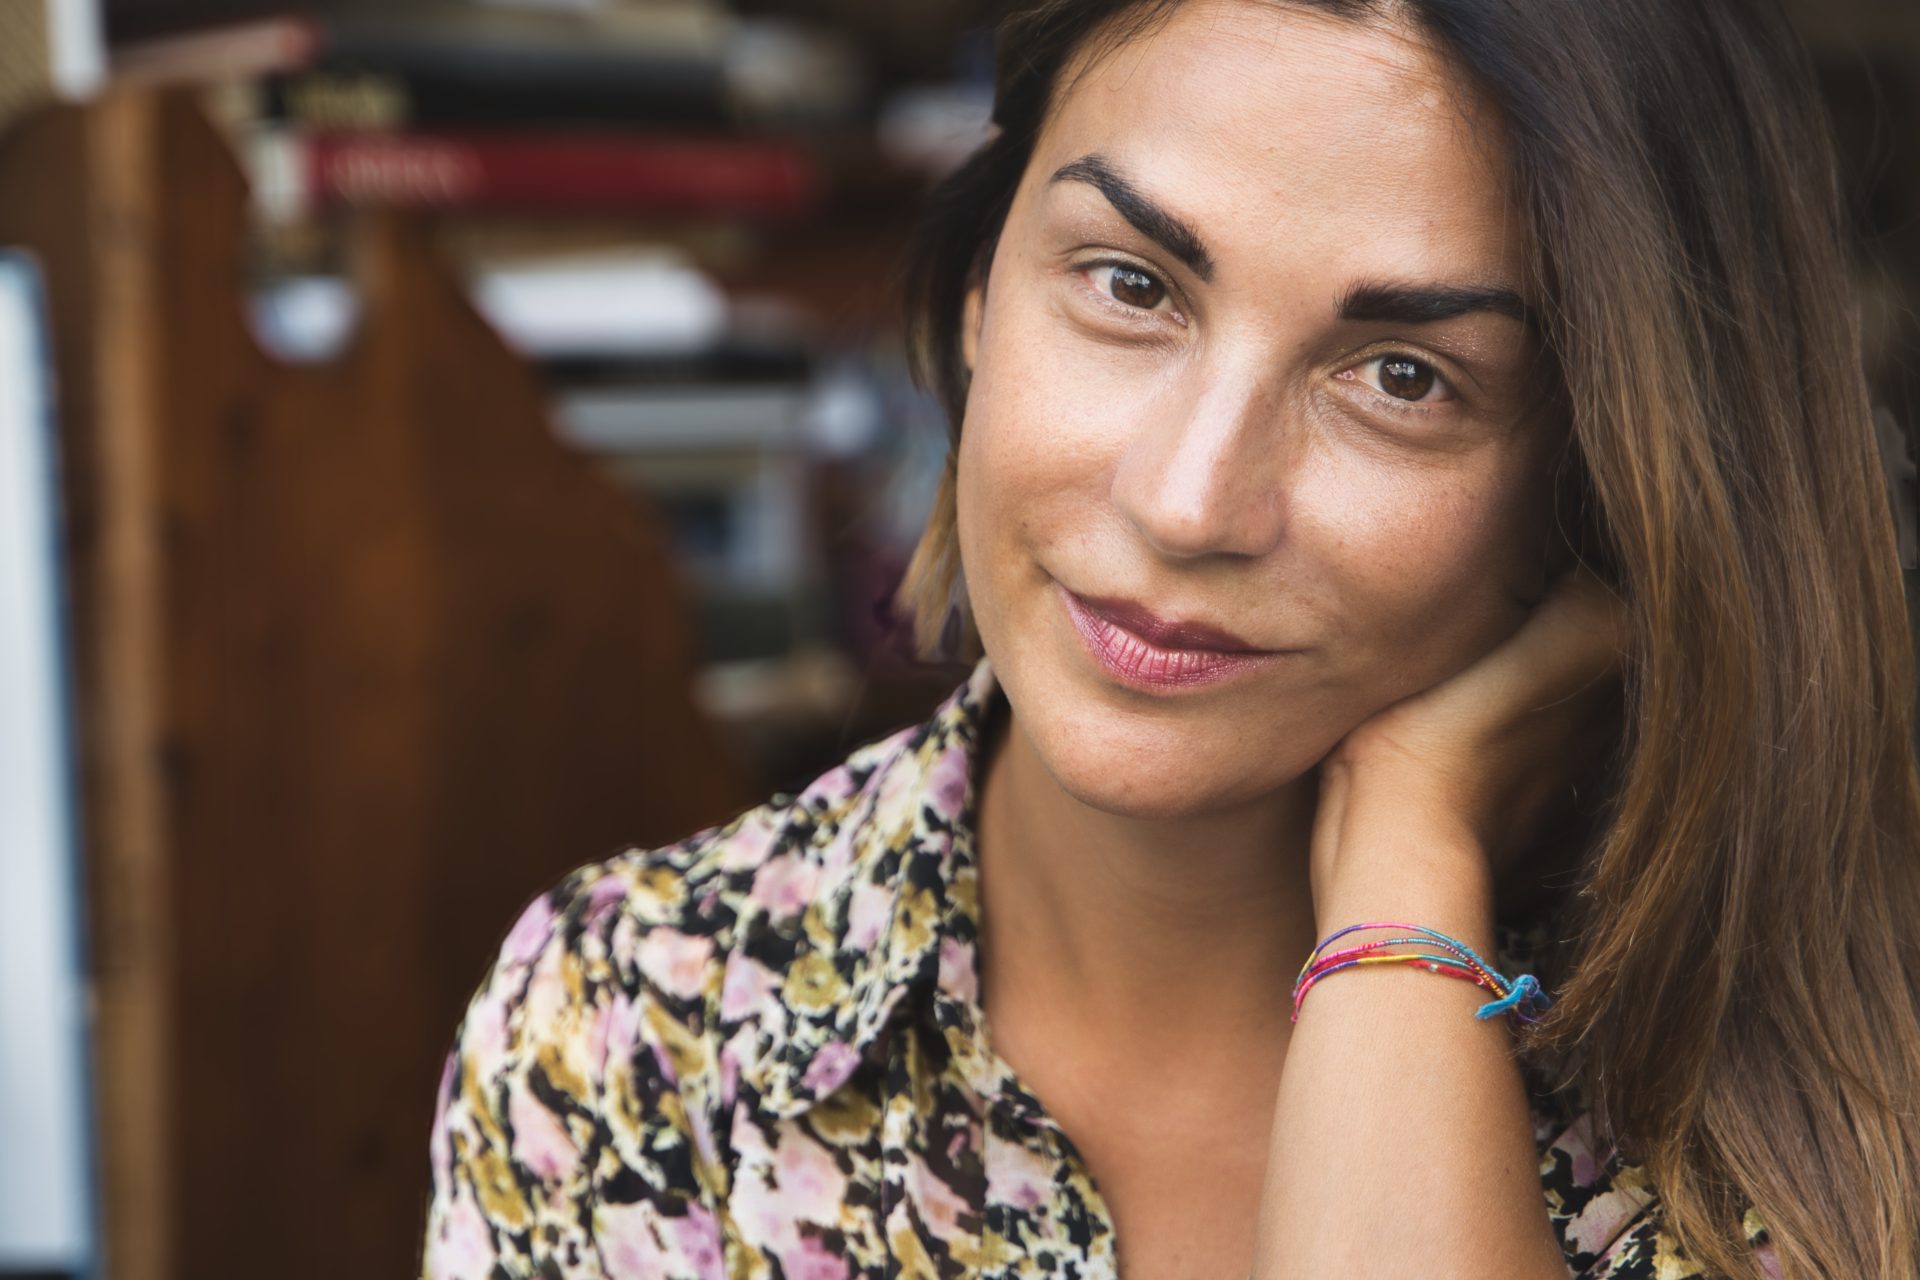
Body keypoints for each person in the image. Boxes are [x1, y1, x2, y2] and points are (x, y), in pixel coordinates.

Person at [417, 0, 1920, 1276]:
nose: (1192, 498)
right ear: (977, 295)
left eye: (1402, 377)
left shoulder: (1809, 1109)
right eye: (1132, 286)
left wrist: (1406, 878)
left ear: (1599, 482)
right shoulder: (635, 1028)